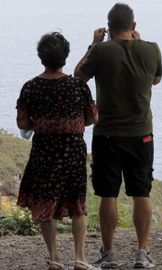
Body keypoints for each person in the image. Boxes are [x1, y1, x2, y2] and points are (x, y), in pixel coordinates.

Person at [74, 3, 162, 268]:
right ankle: (142, 252)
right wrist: (140, 42)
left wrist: (93, 43)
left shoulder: (101, 50)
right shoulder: (151, 48)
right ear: (133, 26)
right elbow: (156, 79)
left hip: (108, 134)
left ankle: (109, 254)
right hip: (141, 133)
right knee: (141, 192)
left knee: (108, 194)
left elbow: (79, 76)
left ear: (108, 28)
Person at [16, 32, 99, 270]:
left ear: (42, 57)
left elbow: (22, 123)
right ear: (65, 57)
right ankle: (80, 258)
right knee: (77, 204)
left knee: (45, 203)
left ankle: (54, 258)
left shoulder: (31, 87)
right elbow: (91, 117)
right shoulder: (77, 86)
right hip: (72, 151)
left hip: (44, 151)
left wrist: (40, 123)